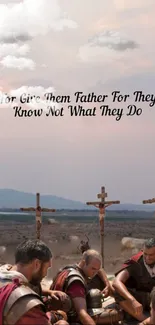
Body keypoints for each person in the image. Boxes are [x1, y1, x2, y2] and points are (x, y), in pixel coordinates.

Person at [0, 239, 70, 325]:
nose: (45, 274)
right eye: (47, 268)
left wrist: (49, 292)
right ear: (37, 264)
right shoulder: (25, 303)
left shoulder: (4, 274)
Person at [51, 249, 123, 325]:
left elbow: (99, 269)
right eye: (93, 269)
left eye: (96, 270)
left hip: (62, 313)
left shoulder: (67, 270)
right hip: (70, 319)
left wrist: (107, 284)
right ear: (83, 262)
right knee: (116, 314)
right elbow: (82, 314)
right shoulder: (76, 282)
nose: (94, 273)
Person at [112, 238, 155, 322]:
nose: (147, 257)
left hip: (154, 299)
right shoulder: (136, 261)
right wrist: (133, 301)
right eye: (145, 254)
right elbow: (117, 282)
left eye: (151, 255)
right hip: (139, 298)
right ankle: (143, 319)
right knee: (117, 290)